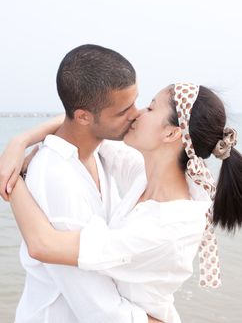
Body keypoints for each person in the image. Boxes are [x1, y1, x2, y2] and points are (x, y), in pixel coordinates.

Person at [3, 81, 242, 322]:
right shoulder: (150, 176)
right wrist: (20, 142)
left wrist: (14, 178)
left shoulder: (167, 223)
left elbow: (43, 245)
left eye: (150, 108)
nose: (138, 113)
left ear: (171, 133)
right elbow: (83, 127)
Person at [1, 44, 161, 323]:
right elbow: (97, 308)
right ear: (84, 116)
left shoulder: (100, 149)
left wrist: (22, 139)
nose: (136, 114)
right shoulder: (57, 178)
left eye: (136, 101)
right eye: (124, 110)